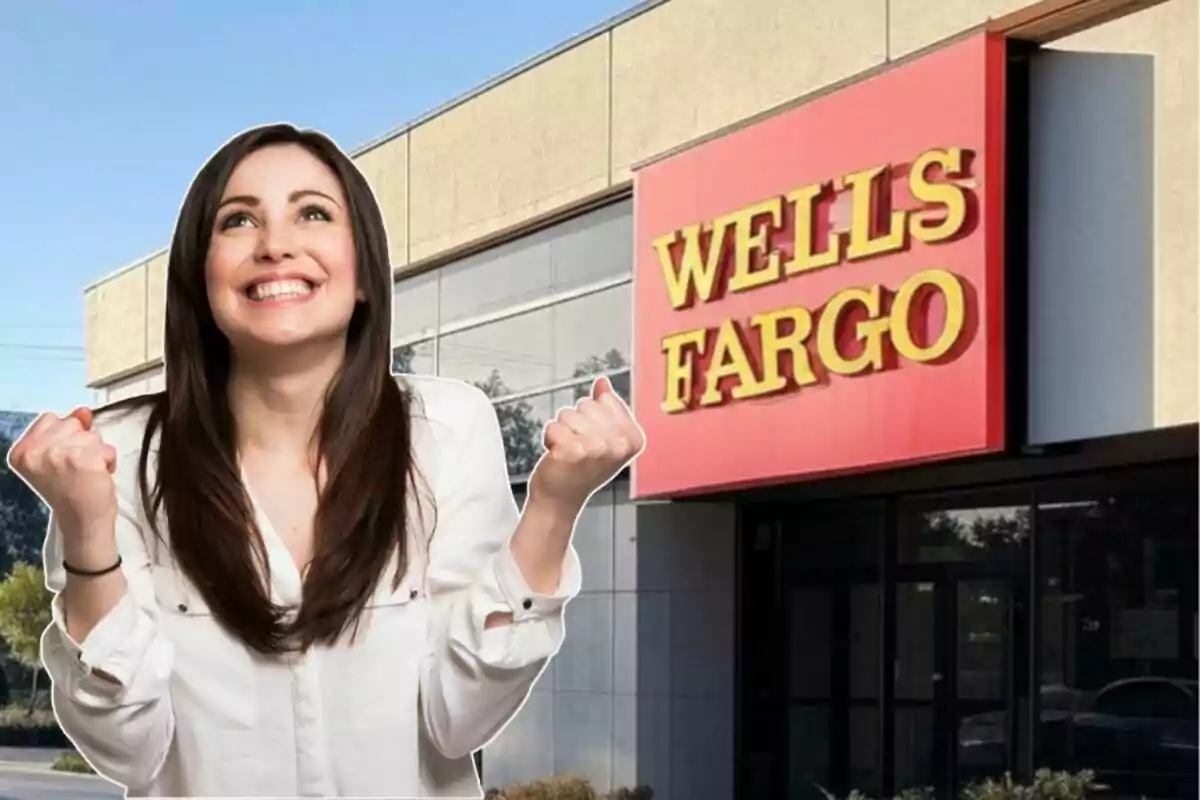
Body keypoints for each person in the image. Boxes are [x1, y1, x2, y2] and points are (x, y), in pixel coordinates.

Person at [6, 123, 644, 799]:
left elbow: (459, 722)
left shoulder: (445, 429)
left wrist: (553, 504)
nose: (275, 244)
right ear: (201, 278)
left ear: (365, 275)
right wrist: (86, 532)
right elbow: (128, 751)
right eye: (238, 220)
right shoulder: (124, 455)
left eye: (312, 212)